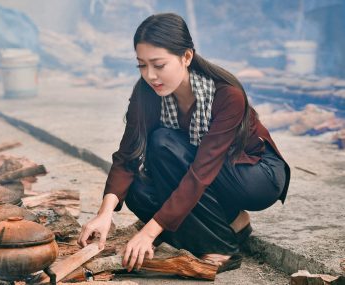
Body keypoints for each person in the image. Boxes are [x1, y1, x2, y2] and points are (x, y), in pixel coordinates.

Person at [78, 12, 290, 273]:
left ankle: (221, 248)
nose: (150, 75)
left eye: (158, 65)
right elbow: (128, 155)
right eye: (142, 65)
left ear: (186, 56)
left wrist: (149, 232)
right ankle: (232, 222)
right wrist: (105, 214)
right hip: (206, 171)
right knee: (136, 191)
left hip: (253, 174)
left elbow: (201, 172)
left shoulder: (226, 94)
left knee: (164, 143)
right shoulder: (146, 93)